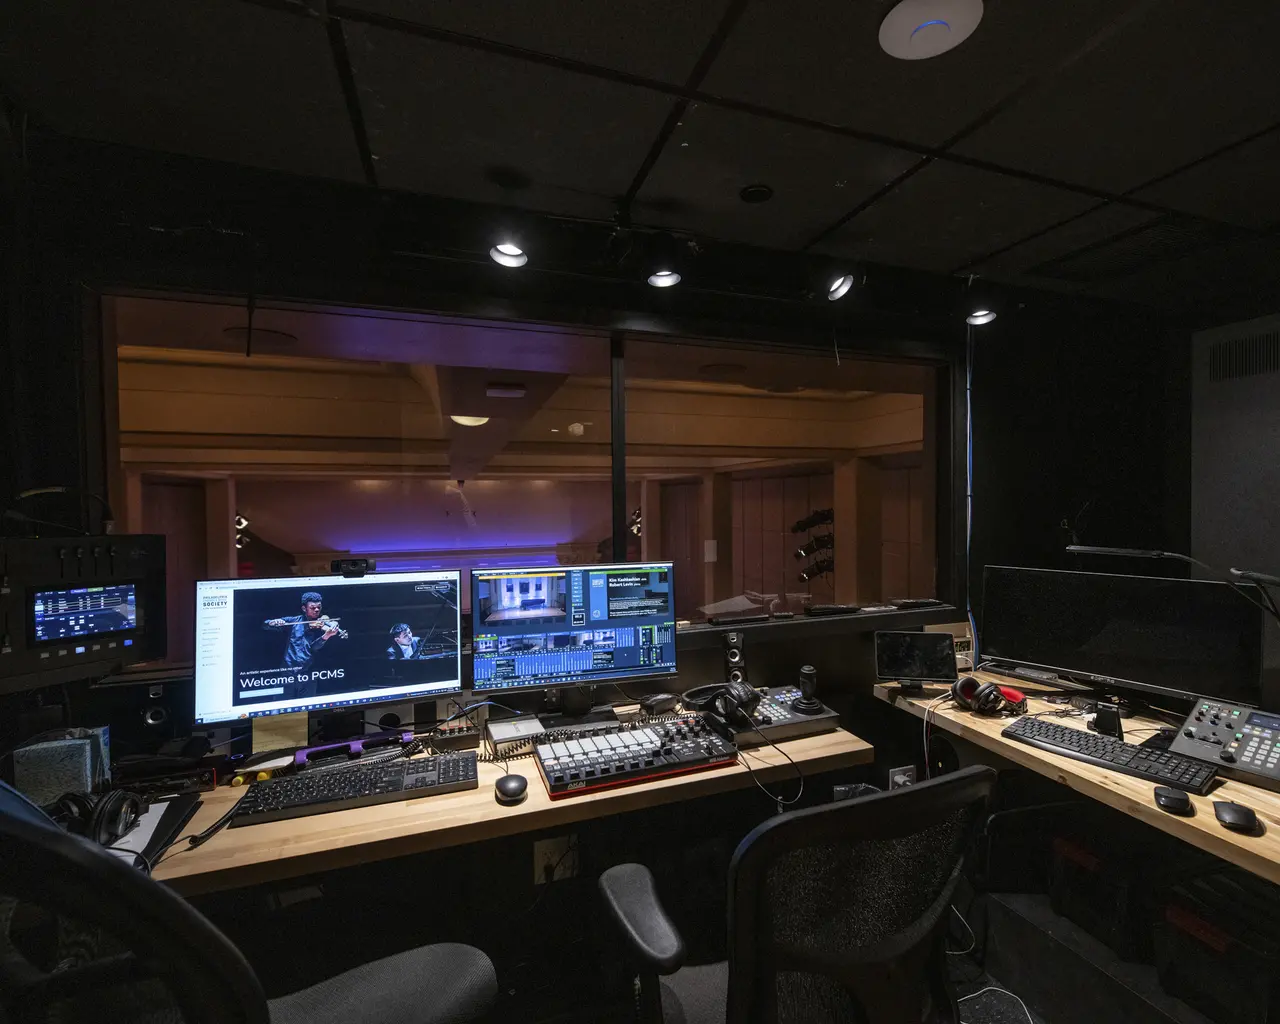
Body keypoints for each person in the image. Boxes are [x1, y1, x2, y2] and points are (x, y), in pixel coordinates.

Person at [263, 591, 344, 674]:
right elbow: (265, 624)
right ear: (304, 608)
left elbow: (314, 648)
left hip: (310, 672)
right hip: (288, 670)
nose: (317, 610)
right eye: (312, 608)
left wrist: (326, 635)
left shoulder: (323, 624)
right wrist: (272, 622)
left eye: (319, 607)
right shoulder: (294, 621)